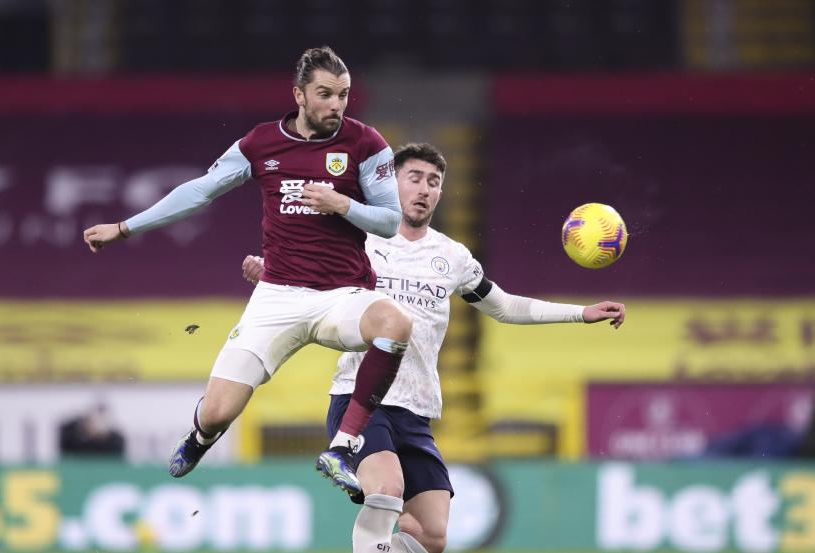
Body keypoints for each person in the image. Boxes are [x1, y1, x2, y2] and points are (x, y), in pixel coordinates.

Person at [242, 143, 626, 553]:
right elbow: (310, 283)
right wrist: (273, 276)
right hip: (361, 399)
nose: (424, 189)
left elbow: (504, 305)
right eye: (415, 178)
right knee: (386, 490)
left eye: (434, 182)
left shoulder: (452, 256)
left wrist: (580, 312)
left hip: (416, 410)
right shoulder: (361, 241)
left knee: (432, 535)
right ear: (393, 184)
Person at [82, 46, 414, 496]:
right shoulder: (260, 143)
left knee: (396, 323)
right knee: (218, 413)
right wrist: (124, 228)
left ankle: (341, 446)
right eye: (325, 94)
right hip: (276, 296)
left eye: (343, 95)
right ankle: (200, 438)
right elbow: (200, 190)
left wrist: (344, 205)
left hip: (342, 296)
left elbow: (391, 222)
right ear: (299, 94)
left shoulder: (366, 144)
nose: (336, 105)